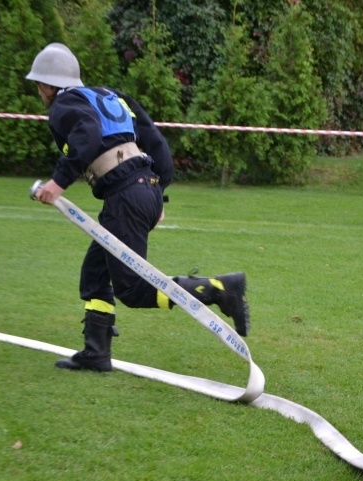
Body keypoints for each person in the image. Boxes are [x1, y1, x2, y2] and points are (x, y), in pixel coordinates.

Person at [26, 43, 250, 372]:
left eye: (38, 86)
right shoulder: (109, 96)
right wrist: (158, 194)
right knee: (95, 272)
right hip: (142, 188)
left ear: (47, 85)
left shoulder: (63, 105)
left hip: (125, 196)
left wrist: (58, 182)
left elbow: (86, 136)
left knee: (131, 289)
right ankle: (97, 352)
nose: (40, 93)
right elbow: (154, 141)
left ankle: (218, 289)